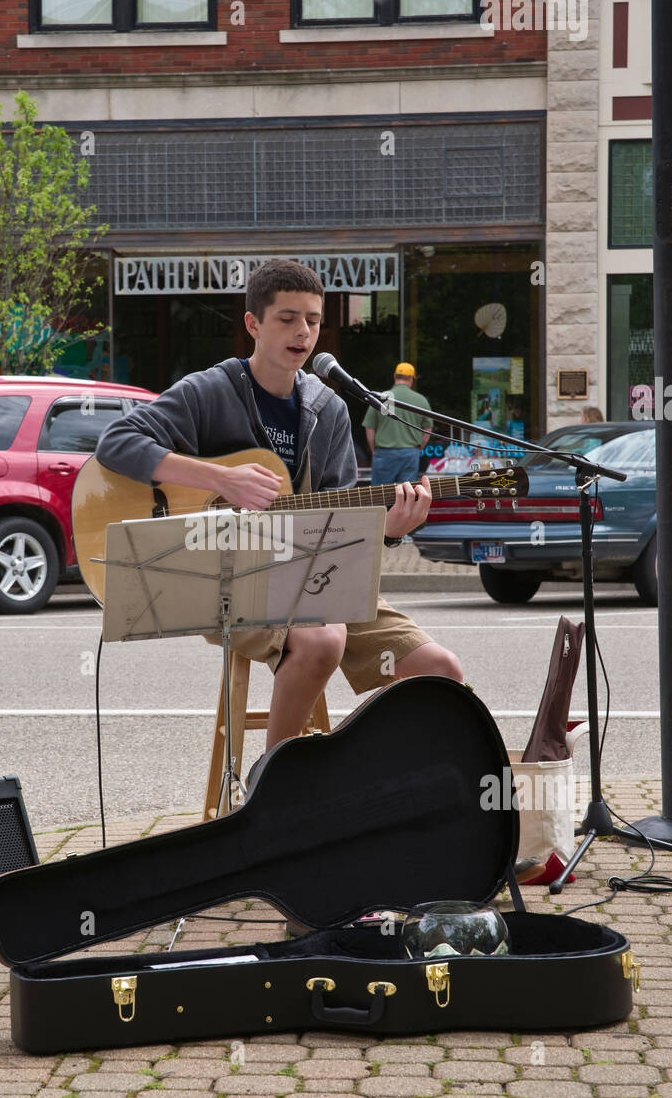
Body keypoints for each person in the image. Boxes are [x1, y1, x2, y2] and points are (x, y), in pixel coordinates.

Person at [95, 260, 462, 754]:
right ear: (253, 324)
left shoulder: (327, 408)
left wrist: (390, 532)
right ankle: (272, 787)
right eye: (287, 319)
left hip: (316, 573)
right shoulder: (211, 391)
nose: (303, 332)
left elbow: (341, 522)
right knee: (322, 641)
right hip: (233, 576)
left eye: (313, 320)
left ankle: (355, 771)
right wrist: (222, 478)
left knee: (441, 670)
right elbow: (116, 442)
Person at [362, 363, 433, 485]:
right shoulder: (420, 399)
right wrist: (418, 448)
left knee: (381, 496)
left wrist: (374, 450)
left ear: (395, 376)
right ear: (411, 379)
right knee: (406, 495)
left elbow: (370, 427)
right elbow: (428, 428)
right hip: (410, 454)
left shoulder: (382, 397)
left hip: (384, 453)